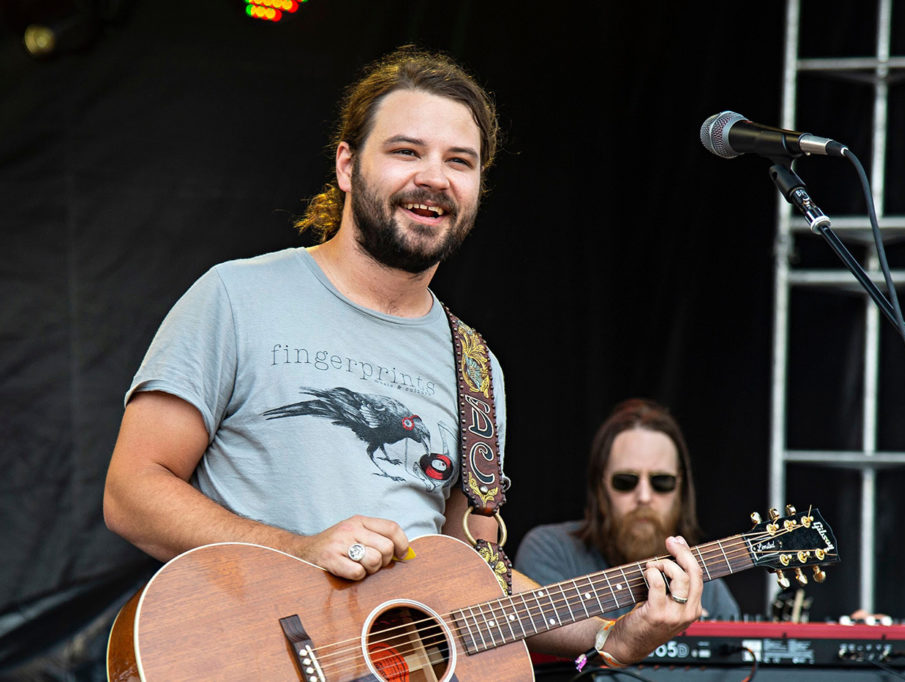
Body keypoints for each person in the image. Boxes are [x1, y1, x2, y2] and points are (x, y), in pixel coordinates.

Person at [102, 47, 703, 669]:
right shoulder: (236, 296)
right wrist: (296, 550)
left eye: (459, 161)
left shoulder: (476, 368)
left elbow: (477, 581)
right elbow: (130, 492)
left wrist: (609, 636)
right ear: (346, 165)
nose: (435, 177)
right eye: (407, 151)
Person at [516, 398, 740, 621]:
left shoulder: (706, 585)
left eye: (662, 482)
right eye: (625, 481)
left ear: (681, 489)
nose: (644, 497)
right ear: (600, 487)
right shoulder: (550, 551)